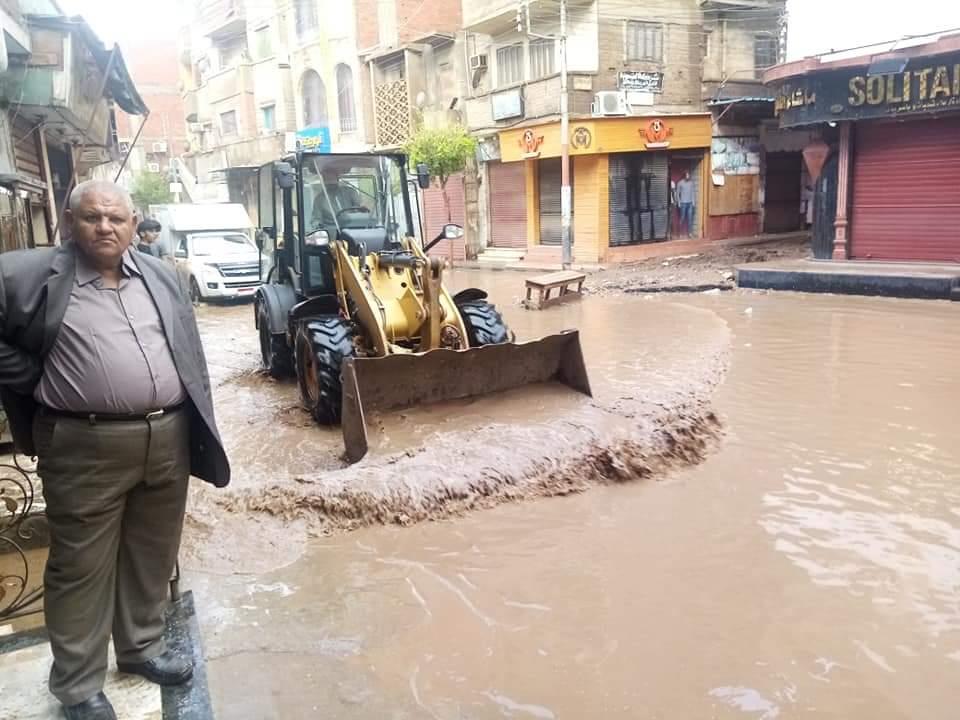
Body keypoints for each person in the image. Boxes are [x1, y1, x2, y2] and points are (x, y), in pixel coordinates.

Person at [0, 180, 230, 720]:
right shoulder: (26, 274)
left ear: (134, 224)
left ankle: (141, 648)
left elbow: (188, 348)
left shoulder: (159, 273)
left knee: (152, 554)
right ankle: (78, 685)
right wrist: (31, 374)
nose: (106, 227)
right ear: (68, 222)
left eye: (117, 218)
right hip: (85, 443)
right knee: (80, 566)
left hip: (166, 435)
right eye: (92, 217)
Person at [676, 170, 696, 238]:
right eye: (687, 175)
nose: (688, 177)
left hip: (690, 203)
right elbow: (677, 194)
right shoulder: (680, 183)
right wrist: (678, 203)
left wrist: (693, 202)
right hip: (683, 203)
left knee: (690, 218)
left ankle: (690, 233)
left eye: (689, 175)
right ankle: (680, 233)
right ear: (684, 176)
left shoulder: (691, 183)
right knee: (682, 218)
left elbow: (693, 193)